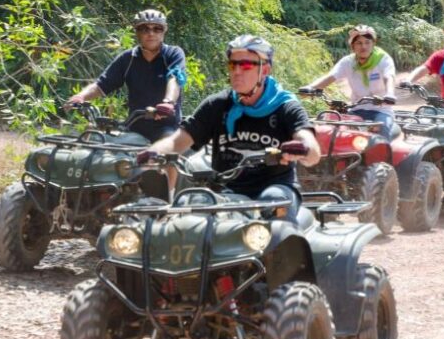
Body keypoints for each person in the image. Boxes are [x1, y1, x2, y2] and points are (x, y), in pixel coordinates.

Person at [137, 34, 321, 219]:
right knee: (190, 206)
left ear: (265, 70)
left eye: (246, 65)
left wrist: (302, 148)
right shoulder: (217, 105)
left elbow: (312, 149)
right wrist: (150, 154)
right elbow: (178, 141)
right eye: (233, 64)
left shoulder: (285, 106)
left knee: (273, 203)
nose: (237, 71)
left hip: (276, 189)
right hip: (227, 192)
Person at [66, 9, 186, 143]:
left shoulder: (173, 54)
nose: (151, 33)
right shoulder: (128, 58)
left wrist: (168, 102)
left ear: (164, 31)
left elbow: (174, 78)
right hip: (135, 127)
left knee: (165, 154)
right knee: (103, 148)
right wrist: (81, 96)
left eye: (157, 28)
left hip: (166, 126)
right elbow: (102, 85)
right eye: (144, 29)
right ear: (137, 32)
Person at [300, 25, 397, 140]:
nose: (363, 46)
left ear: (373, 44)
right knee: (333, 128)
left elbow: (388, 77)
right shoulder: (348, 62)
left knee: (382, 132)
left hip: (381, 110)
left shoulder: (383, 59)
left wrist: (390, 93)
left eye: (367, 42)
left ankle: (382, 158)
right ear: (353, 46)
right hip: (357, 109)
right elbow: (331, 76)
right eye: (359, 43)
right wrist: (311, 88)